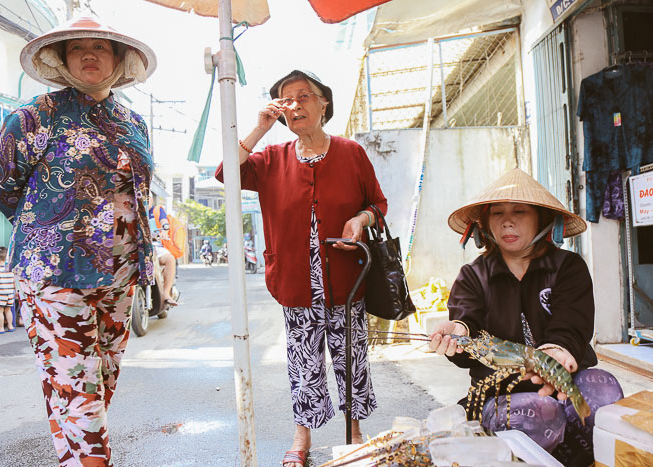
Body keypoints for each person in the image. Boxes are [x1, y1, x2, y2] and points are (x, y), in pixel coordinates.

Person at [0, 16, 156, 466]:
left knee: (95, 383)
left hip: (122, 273)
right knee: (78, 382)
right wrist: (47, 231)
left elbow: (138, 192)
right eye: (77, 48)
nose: (88, 55)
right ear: (62, 60)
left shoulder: (134, 121)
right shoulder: (34, 117)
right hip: (56, 273)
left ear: (118, 59)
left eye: (100, 47)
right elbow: (0, 183)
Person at [216, 69, 388, 467]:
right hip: (296, 281)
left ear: (323, 102)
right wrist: (259, 128)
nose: (294, 105)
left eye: (303, 96)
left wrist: (361, 221)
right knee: (303, 361)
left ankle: (355, 431)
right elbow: (227, 173)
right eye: (285, 100)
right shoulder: (272, 158)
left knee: (351, 357)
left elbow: (377, 204)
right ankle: (302, 435)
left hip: (347, 278)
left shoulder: (351, 152)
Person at [429, 168, 623, 466]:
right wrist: (457, 331)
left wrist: (558, 349)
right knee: (541, 411)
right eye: (496, 213)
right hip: (503, 395)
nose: (507, 220)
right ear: (485, 224)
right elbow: (467, 321)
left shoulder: (568, 267)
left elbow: (572, 322)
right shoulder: (473, 276)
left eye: (519, 211)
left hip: (569, 378)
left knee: (603, 391)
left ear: (542, 219)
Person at [148, 195, 178, 306]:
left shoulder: (157, 210)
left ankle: (166, 293)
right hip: (137, 247)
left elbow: (164, 221)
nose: (146, 201)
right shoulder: (134, 212)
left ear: (151, 199)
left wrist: (165, 228)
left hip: (155, 246)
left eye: (148, 198)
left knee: (170, 259)